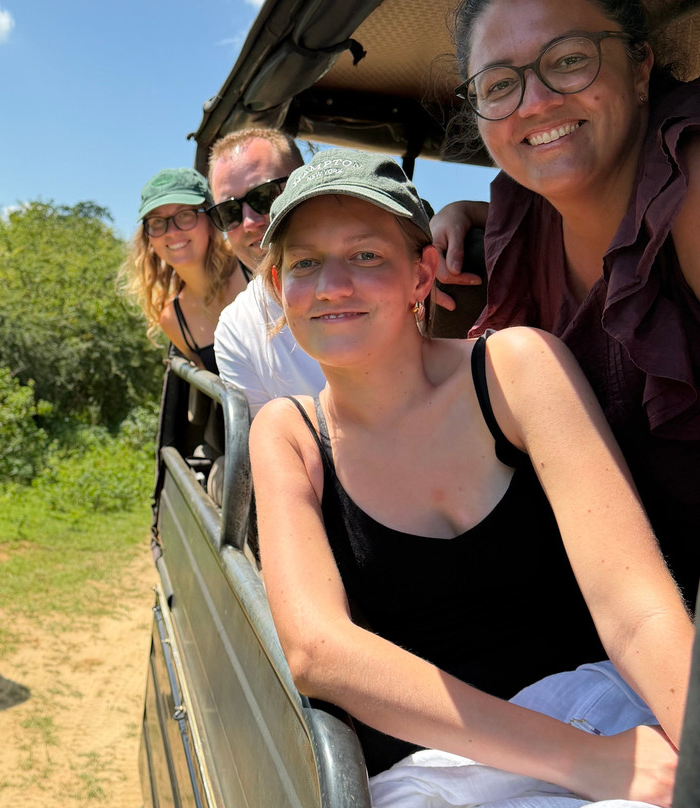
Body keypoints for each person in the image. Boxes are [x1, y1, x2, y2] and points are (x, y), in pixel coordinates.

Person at [250, 147, 692, 801]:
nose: (332, 284)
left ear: (421, 274)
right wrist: (583, 761)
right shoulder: (289, 433)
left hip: (611, 710)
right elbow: (319, 648)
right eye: (305, 263)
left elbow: (634, 604)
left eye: (366, 255)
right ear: (278, 289)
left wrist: (692, 744)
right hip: (441, 768)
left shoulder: (517, 367)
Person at [433, 0, 700, 605]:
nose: (535, 102)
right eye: (500, 84)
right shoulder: (520, 223)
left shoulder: (690, 178)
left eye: (570, 59)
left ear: (639, 68)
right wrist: (459, 214)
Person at [208, 128, 325, 415]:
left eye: (264, 196)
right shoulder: (236, 328)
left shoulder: (382, 268)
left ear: (307, 182)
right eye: (229, 212)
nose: (249, 222)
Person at [121, 167, 243, 374]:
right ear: (148, 237)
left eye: (185, 215)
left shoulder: (251, 269)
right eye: (158, 222)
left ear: (210, 219)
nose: (172, 232)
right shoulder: (173, 320)